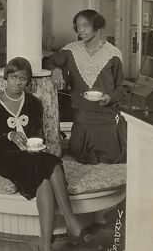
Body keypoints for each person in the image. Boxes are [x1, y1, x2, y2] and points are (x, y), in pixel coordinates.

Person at [0, 57, 102, 251]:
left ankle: (46, 248)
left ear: (28, 82)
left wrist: (33, 144)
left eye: (23, 79)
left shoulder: (33, 103)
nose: (18, 82)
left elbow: (38, 135)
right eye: (14, 77)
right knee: (51, 165)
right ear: (5, 78)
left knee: (46, 177)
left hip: (32, 155)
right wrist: (10, 135)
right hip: (6, 158)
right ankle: (73, 225)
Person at [45, 9, 127, 164]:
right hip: (81, 118)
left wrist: (110, 97)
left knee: (110, 158)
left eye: (85, 25)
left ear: (96, 26)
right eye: (78, 26)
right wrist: (55, 70)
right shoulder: (71, 50)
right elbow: (47, 61)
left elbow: (122, 87)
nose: (81, 29)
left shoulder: (113, 54)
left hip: (106, 117)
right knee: (79, 156)